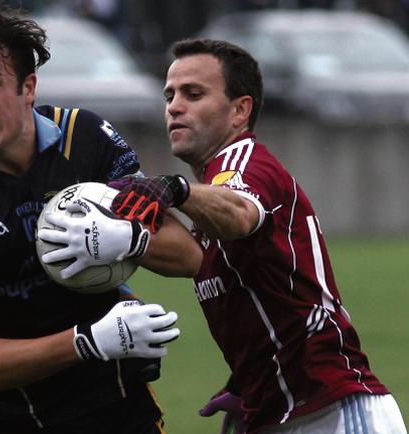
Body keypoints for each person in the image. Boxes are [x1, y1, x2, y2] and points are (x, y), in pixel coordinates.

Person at [0, 7, 202, 433]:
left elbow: (189, 257)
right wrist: (90, 341)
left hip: (119, 410)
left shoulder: (84, 138)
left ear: (28, 87)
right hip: (9, 422)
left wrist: (128, 239)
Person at [113, 38, 407, 433]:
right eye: (170, 95)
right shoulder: (209, 195)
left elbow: (239, 212)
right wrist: (251, 383)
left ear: (240, 110)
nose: (174, 106)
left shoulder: (244, 164)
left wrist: (175, 189)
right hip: (275, 414)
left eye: (193, 93)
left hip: (333, 410)